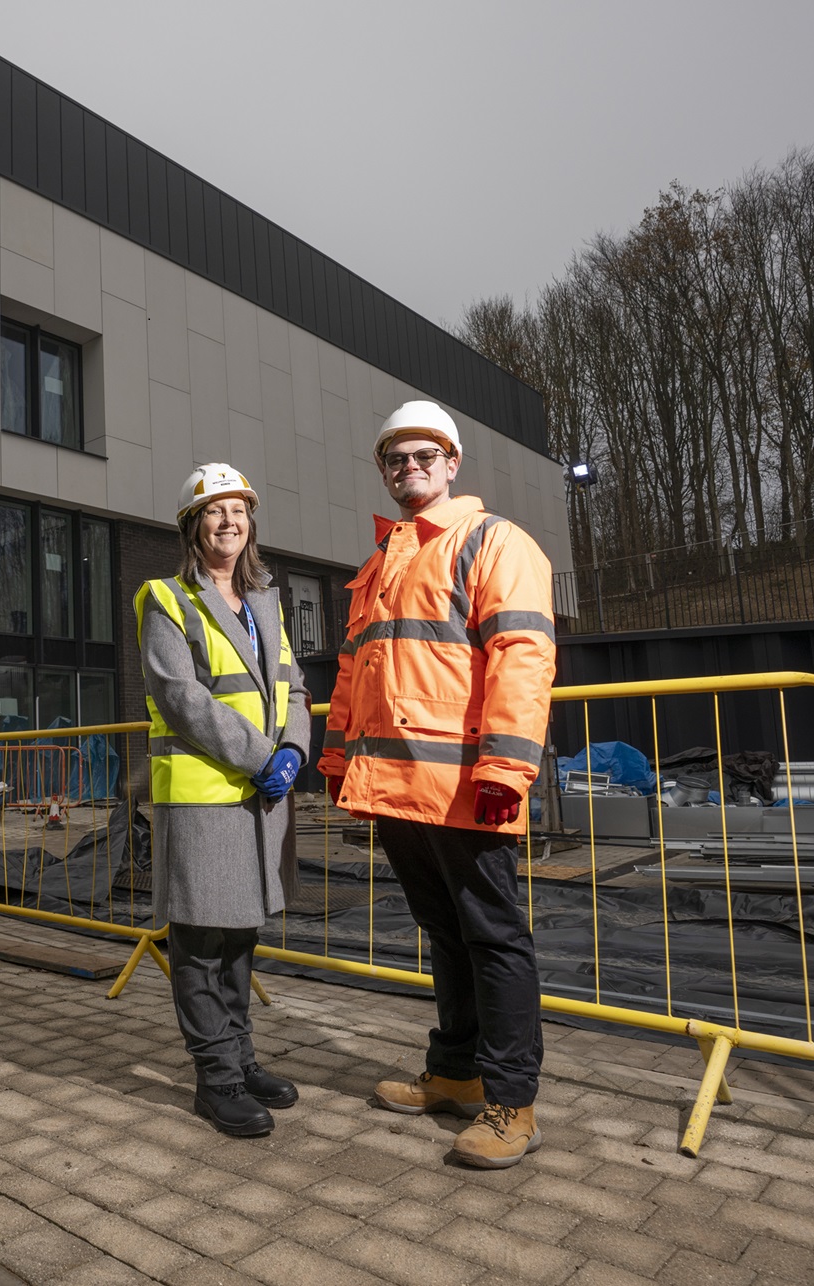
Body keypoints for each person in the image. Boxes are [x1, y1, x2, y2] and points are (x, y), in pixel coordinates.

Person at [320, 401, 556, 1169]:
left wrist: (505, 769)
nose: (409, 468)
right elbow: (354, 673)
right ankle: (456, 1072)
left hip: (465, 787)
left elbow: (523, 657)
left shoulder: (493, 541)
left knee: (492, 937)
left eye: (424, 456)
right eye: (396, 459)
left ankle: (513, 1104)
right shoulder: (382, 561)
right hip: (397, 789)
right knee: (447, 933)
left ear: (452, 463)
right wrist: (337, 762)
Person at [135, 463, 311, 1137]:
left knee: (241, 938)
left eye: (238, 510)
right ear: (192, 525)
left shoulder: (265, 603)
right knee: (200, 944)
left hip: (258, 804)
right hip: (206, 800)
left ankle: (240, 1057)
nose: (228, 521)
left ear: (250, 523)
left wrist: (294, 750)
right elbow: (182, 700)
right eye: (214, 511)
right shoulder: (166, 600)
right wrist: (265, 757)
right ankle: (216, 1080)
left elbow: (294, 688)